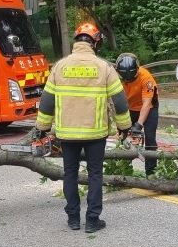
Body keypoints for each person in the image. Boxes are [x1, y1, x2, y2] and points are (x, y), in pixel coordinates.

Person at [35, 22, 131, 233]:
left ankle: (73, 219)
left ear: (76, 41)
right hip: (95, 133)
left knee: (70, 173)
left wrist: (41, 128)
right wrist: (124, 127)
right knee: (95, 174)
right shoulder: (104, 67)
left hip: (67, 134)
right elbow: (120, 102)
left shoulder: (60, 66)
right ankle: (93, 220)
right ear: (95, 42)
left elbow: (47, 101)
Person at [114, 52, 159, 176]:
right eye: (125, 79)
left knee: (150, 140)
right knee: (123, 138)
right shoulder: (115, 78)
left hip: (149, 107)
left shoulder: (146, 77)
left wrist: (138, 125)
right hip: (129, 107)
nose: (128, 81)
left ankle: (151, 173)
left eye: (131, 78)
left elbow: (147, 103)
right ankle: (123, 171)